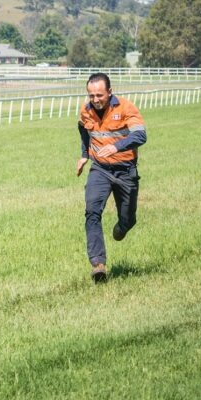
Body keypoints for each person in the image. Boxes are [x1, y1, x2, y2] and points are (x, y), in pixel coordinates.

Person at [77, 72, 147, 282]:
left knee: (127, 220)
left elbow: (140, 135)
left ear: (109, 91)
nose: (95, 100)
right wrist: (84, 155)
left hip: (126, 171)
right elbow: (82, 128)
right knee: (92, 211)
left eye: (99, 95)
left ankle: (123, 226)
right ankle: (98, 264)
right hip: (100, 169)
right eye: (91, 95)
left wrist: (115, 146)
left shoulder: (126, 108)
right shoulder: (86, 110)